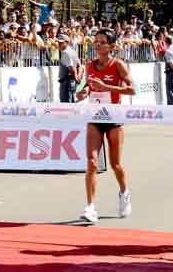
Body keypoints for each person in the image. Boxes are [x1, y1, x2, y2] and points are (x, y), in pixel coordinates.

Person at [76, 29, 136, 222]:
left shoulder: (118, 64)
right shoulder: (89, 65)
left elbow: (132, 89)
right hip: (95, 117)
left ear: (111, 46)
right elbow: (87, 85)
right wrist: (84, 92)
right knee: (91, 162)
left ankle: (124, 193)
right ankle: (90, 207)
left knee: (115, 164)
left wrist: (107, 87)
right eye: (96, 42)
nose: (98, 45)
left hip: (114, 118)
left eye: (102, 42)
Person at [58, 34, 82, 103]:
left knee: (66, 103)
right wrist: (78, 78)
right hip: (71, 81)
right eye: (59, 42)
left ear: (67, 42)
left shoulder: (66, 53)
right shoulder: (73, 51)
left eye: (61, 42)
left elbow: (72, 69)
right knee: (71, 101)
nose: (59, 44)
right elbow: (79, 66)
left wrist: (76, 78)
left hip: (67, 81)